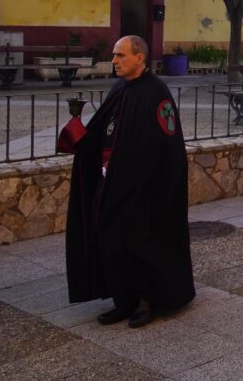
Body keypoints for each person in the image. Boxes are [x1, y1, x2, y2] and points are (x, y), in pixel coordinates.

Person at [65, 36, 195, 329]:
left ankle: (147, 301)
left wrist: (146, 179)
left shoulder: (156, 93)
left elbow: (166, 144)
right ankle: (123, 299)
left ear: (140, 58)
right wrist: (79, 137)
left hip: (143, 188)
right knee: (111, 241)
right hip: (112, 182)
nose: (114, 61)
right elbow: (105, 131)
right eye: (114, 55)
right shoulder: (120, 88)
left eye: (121, 55)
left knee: (140, 244)